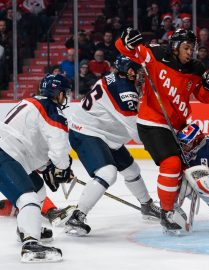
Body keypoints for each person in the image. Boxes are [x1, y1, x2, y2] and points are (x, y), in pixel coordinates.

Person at [115, 28, 209, 233]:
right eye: (186, 47)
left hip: (179, 127)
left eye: (192, 48)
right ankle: (166, 213)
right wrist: (126, 40)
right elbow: (124, 49)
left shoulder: (196, 67)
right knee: (171, 163)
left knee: (190, 167)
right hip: (152, 122)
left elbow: (203, 98)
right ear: (174, 47)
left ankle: (178, 202)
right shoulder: (155, 54)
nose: (189, 52)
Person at [65, 55, 161, 236]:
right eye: (139, 71)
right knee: (107, 173)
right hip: (87, 132)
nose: (143, 75)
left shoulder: (116, 79)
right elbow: (137, 132)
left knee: (132, 170)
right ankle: (77, 217)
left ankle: (147, 206)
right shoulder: (124, 90)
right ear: (130, 71)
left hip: (104, 133)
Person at [0, 74, 73, 262]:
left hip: (12, 153)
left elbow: (31, 142)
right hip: (5, 153)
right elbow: (59, 146)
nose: (66, 98)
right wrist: (62, 167)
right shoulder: (52, 111)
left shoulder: (31, 102)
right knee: (28, 198)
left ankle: (24, 229)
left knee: (38, 190)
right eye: (65, 94)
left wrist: (47, 166)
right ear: (58, 94)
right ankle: (31, 245)